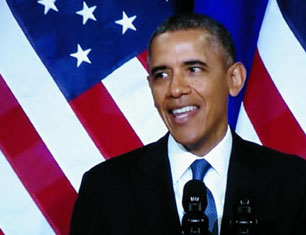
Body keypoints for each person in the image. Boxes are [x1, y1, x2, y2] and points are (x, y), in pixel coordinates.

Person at [70, 13, 306, 235]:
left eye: (193, 69)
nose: (175, 89)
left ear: (234, 79)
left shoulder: (294, 184)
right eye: (161, 75)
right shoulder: (105, 189)